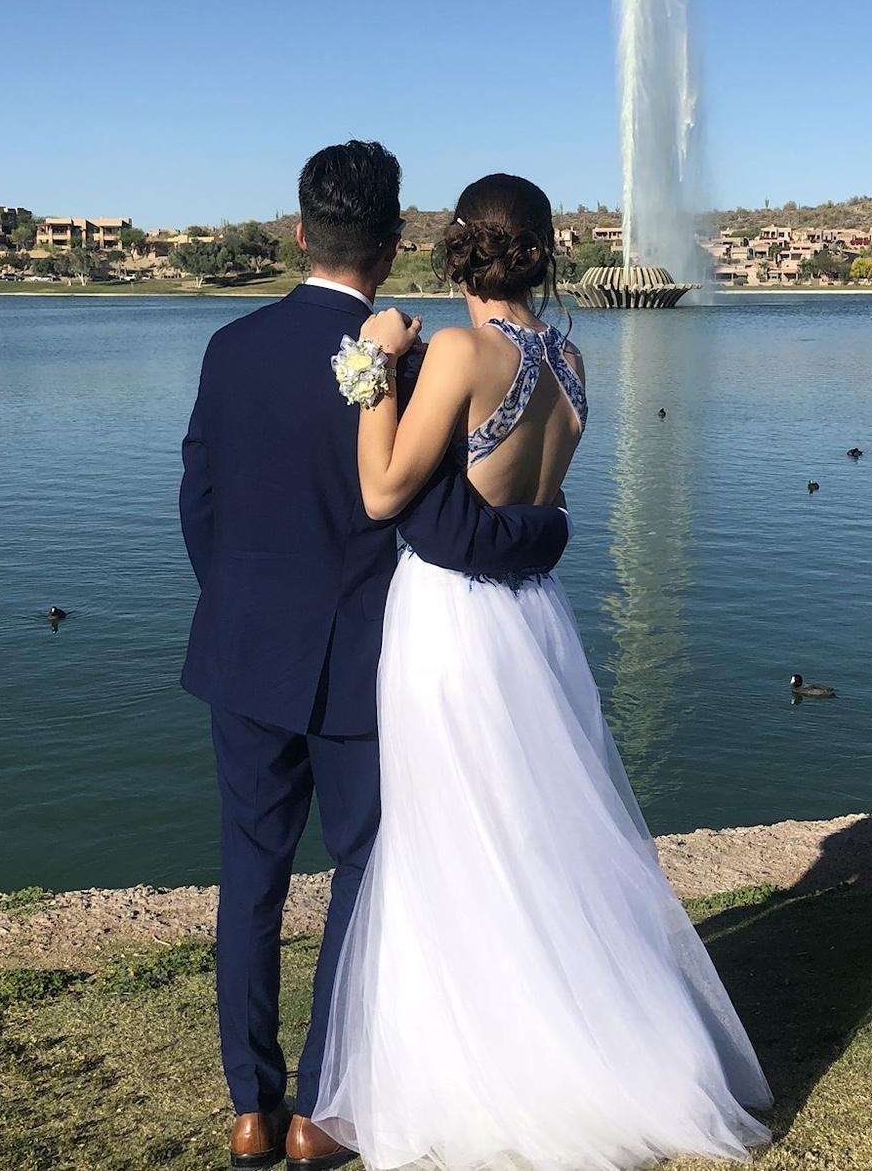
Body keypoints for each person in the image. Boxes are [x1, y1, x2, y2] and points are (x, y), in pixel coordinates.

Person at [312, 173, 773, 1171]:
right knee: (535, 827)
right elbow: (535, 496)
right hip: (535, 619)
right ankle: (588, 1035)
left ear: (459, 247)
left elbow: (383, 491)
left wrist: (370, 365)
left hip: (449, 621)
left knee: (449, 829)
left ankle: (486, 1065)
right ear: (542, 252)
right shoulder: (568, 357)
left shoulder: (459, 352)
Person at [178, 143, 571, 1171]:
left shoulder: (230, 347)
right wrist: (546, 533)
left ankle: (251, 1107)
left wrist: (241, 606)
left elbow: (200, 499)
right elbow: (446, 517)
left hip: (245, 653)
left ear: (299, 233)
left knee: (250, 877)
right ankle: (323, 1107)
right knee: (362, 872)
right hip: (369, 658)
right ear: (393, 245)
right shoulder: (414, 358)